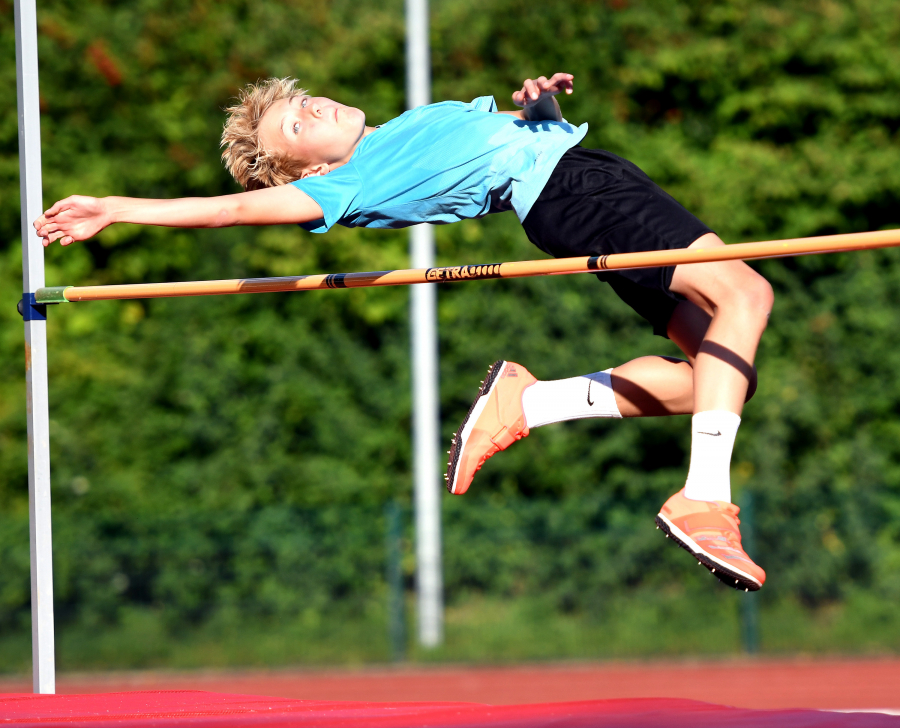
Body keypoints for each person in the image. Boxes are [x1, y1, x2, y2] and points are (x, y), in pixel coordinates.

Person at [34, 73, 773, 591]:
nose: (312, 108)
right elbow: (229, 212)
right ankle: (703, 496)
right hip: (579, 193)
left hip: (580, 180)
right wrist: (116, 206)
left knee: (720, 369)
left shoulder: (413, 126)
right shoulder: (340, 183)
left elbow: (516, 139)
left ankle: (533, 402)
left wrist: (537, 106)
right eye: (295, 126)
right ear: (302, 168)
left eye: (300, 101)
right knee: (747, 290)